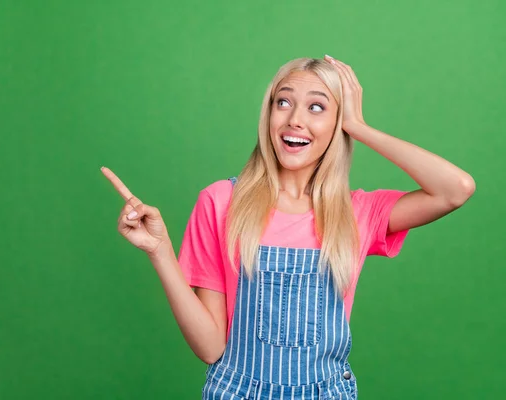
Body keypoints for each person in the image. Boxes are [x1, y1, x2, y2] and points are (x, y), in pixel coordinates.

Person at [101, 55, 475, 399]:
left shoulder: (357, 212)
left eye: (317, 107)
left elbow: (455, 189)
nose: (295, 118)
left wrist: (359, 127)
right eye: (283, 102)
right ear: (268, 115)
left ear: (336, 124)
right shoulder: (219, 202)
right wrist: (160, 251)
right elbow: (211, 348)